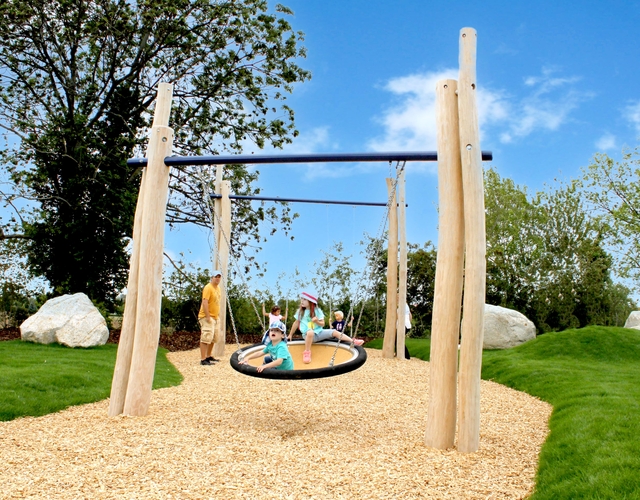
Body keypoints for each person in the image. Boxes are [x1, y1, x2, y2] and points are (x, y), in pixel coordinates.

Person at [288, 291, 364, 364]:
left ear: (311, 302)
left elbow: (322, 324)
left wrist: (317, 321)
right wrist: (290, 334)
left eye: (304, 299)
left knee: (334, 332)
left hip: (319, 333)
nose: (302, 301)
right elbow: (296, 323)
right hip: (307, 335)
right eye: (302, 299)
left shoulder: (317, 311)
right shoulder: (300, 312)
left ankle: (352, 341)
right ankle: (307, 352)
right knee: (310, 332)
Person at [198, 270, 222, 366]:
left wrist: (217, 316)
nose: (217, 279)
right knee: (206, 337)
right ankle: (203, 359)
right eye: (216, 277)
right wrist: (208, 316)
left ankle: (208, 356)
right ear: (212, 278)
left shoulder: (218, 288)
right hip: (207, 316)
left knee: (214, 337)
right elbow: (205, 302)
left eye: (219, 277)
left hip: (215, 317)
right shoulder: (208, 288)